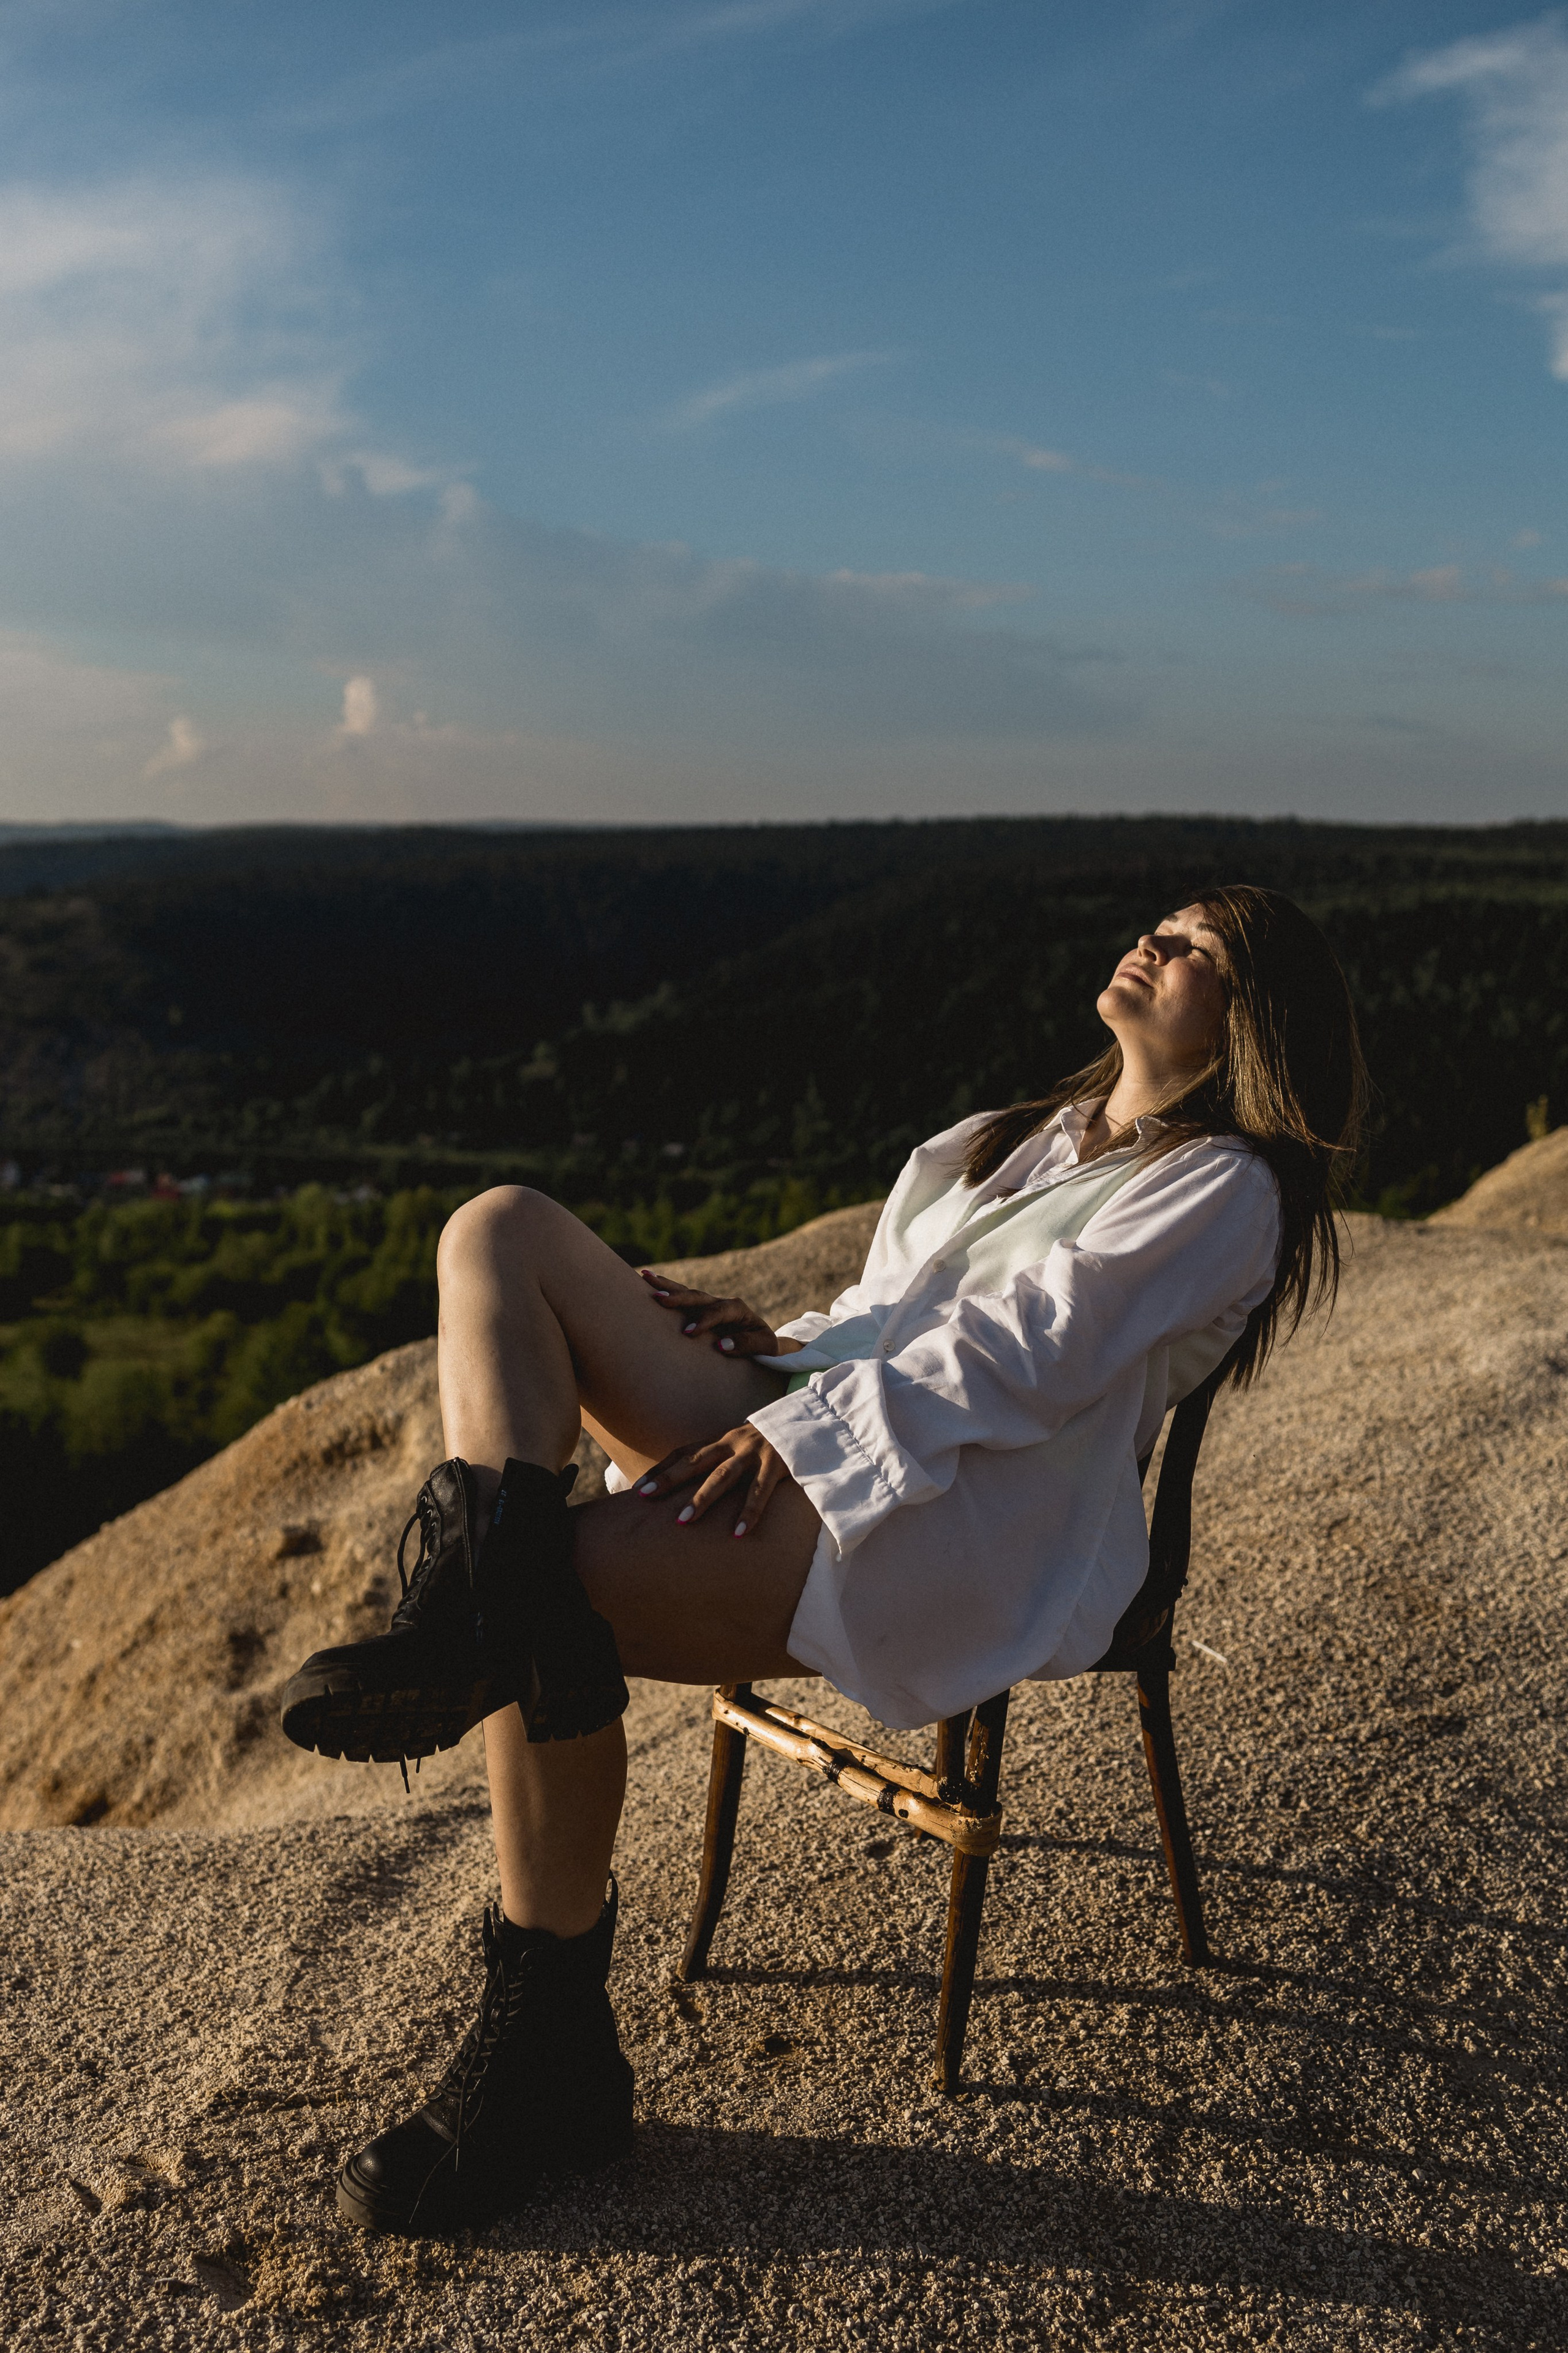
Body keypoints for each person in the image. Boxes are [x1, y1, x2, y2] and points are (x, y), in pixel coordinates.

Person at [279, 882, 1366, 2235]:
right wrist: (780, 1351)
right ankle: (476, 1610)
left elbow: (1029, 1349)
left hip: (953, 1520)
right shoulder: (1011, 1137)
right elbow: (882, 1315)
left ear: (1252, 1017)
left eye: (1195, 946)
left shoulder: (1223, 1185)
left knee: (543, 1586)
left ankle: (543, 2047)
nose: (1151, 940)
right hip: (838, 1424)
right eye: (1158, 920)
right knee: (497, 1225)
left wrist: (813, 1428)